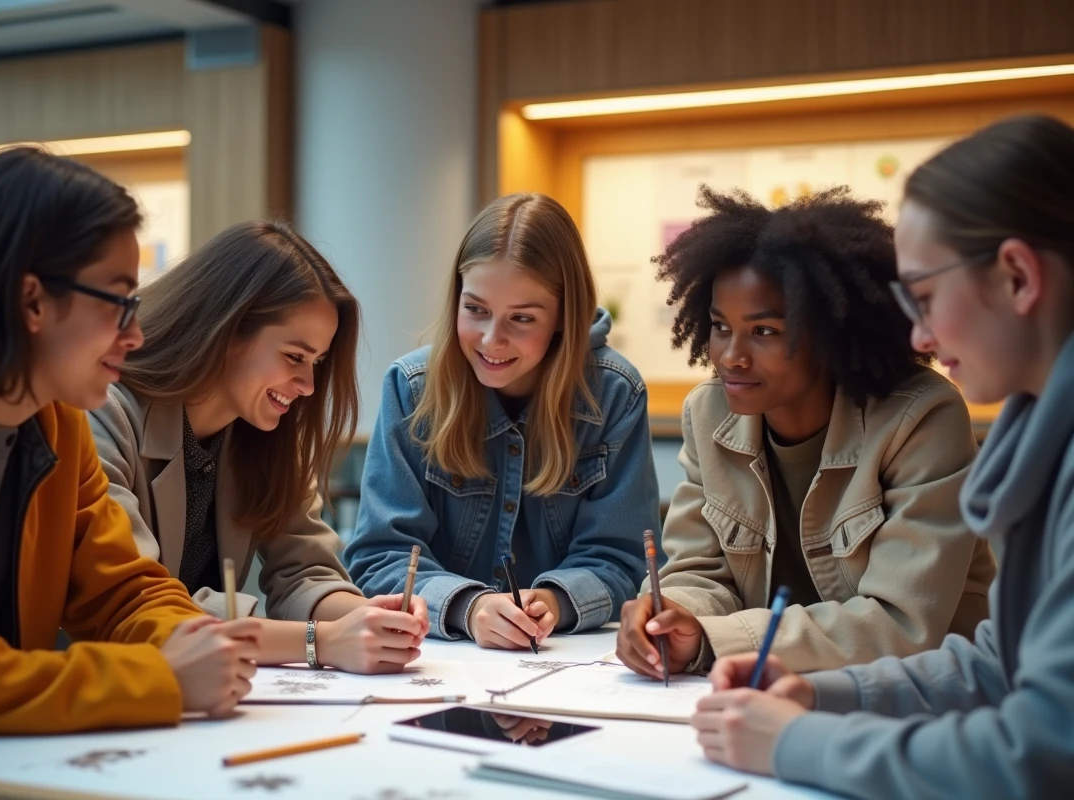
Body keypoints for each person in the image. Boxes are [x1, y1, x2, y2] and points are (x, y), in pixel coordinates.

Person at [691, 114, 1074, 798]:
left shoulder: (949, 420)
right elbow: (1000, 664)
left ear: (1018, 277)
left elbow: (1040, 753)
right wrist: (821, 695)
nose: (919, 336)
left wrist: (795, 743)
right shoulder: (1044, 437)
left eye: (924, 297)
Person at [0, 147, 257, 738]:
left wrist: (195, 641)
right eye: (121, 303)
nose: (136, 335)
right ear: (32, 300)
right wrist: (158, 677)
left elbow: (122, 592)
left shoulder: (57, 418)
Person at [616, 187, 996, 678]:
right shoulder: (707, 414)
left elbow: (901, 624)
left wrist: (716, 638)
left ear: (831, 333)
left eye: (764, 331)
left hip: (922, 693)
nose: (731, 356)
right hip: (767, 687)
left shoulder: (922, 417)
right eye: (720, 327)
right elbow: (699, 572)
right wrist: (671, 615)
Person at [89, 220, 428, 674]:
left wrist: (365, 618)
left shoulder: (269, 432)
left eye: (317, 363)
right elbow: (137, 604)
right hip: (118, 685)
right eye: (294, 357)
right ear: (226, 330)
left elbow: (305, 571)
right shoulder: (104, 413)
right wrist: (321, 642)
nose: (308, 385)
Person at [346, 193, 660, 649]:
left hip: (566, 658)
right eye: (475, 309)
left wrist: (554, 601)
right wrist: (468, 607)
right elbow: (381, 555)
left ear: (563, 316)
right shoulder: (411, 388)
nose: (492, 340)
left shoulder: (615, 393)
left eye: (522, 318)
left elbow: (623, 559)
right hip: (437, 657)